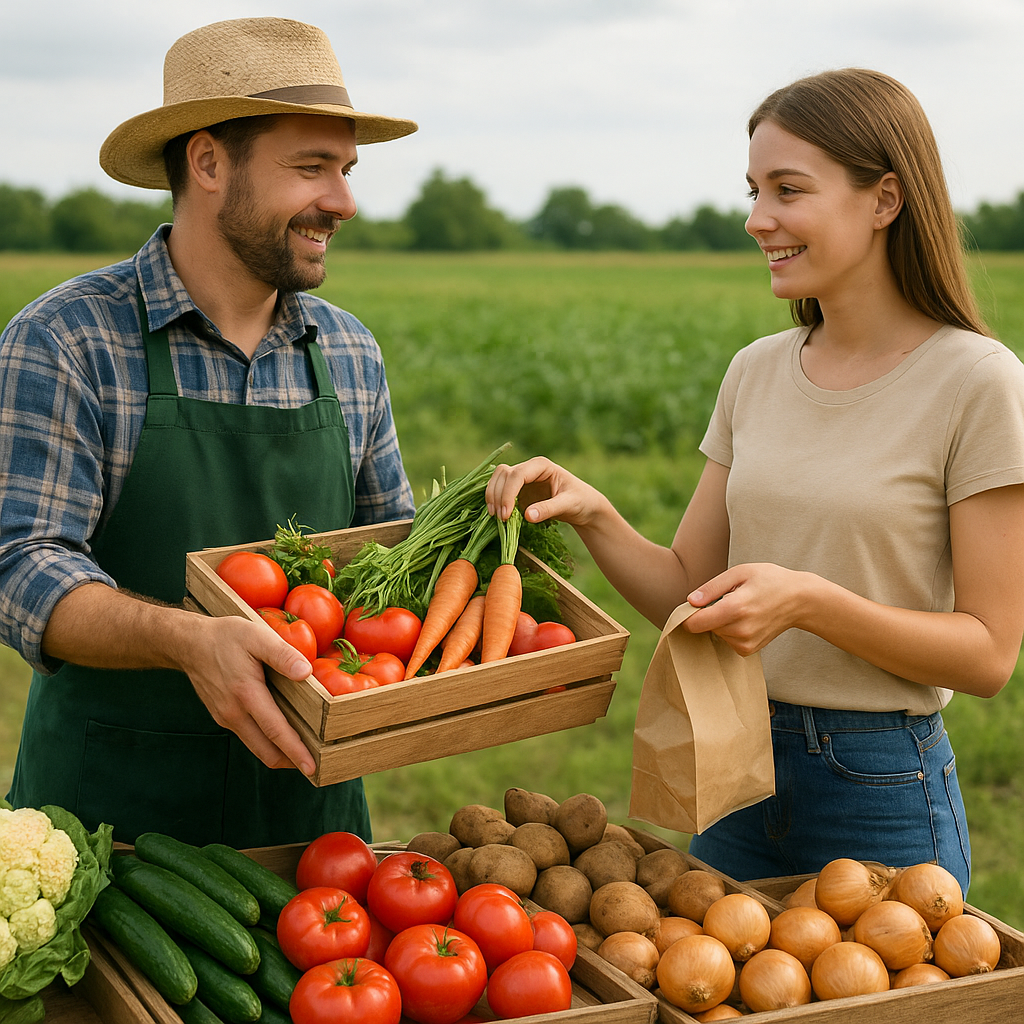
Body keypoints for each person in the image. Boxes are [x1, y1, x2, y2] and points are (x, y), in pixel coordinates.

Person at [486, 68, 1024, 893]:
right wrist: (596, 515)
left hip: (879, 783)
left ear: (884, 200)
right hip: (735, 758)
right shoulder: (757, 372)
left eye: (788, 190)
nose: (756, 219)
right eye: (753, 189)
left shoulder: (976, 381)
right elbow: (688, 591)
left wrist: (809, 602)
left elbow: (988, 654)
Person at [0, 18, 419, 847]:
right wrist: (189, 641)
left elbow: (389, 562)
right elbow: (21, 564)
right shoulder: (68, 339)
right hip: (110, 821)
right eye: (311, 168)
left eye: (345, 169)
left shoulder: (347, 350)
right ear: (207, 162)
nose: (343, 201)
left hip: (313, 826)